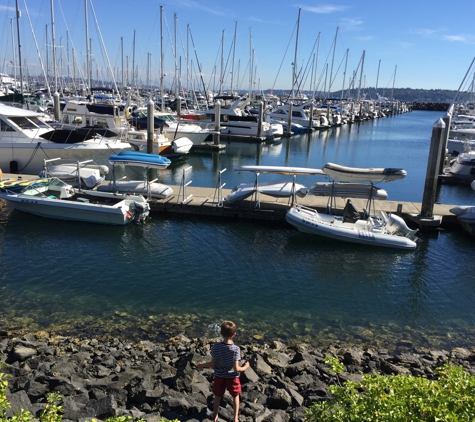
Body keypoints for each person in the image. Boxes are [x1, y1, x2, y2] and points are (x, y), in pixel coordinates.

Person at [197, 320, 250, 422]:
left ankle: (215, 415)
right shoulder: (236, 349)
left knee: (217, 395)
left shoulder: (216, 346)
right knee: (235, 396)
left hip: (219, 376)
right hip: (232, 378)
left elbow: (212, 364)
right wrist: (246, 367)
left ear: (220, 332)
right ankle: (235, 418)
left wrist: (202, 365)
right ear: (234, 334)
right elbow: (236, 368)